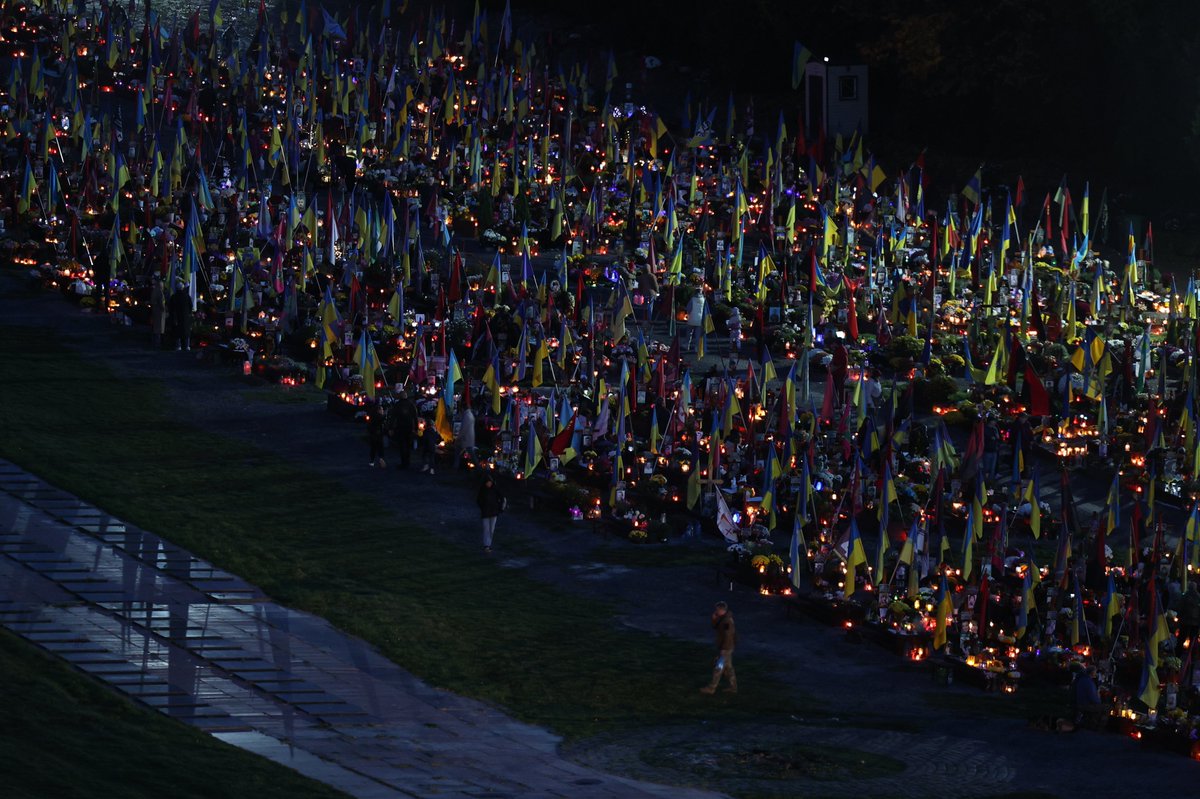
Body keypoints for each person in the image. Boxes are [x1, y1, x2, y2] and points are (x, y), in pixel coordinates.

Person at [700, 601, 737, 694]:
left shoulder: (726, 621)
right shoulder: (723, 619)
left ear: (721, 610)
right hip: (727, 648)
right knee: (728, 668)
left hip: (726, 649)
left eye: (717, 609)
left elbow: (728, 636)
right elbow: (715, 627)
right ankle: (733, 687)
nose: (716, 611)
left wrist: (724, 649)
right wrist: (714, 619)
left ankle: (711, 688)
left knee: (718, 668)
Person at [388, 390, 418, 470]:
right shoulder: (411, 405)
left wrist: (390, 428)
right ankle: (407, 462)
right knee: (408, 445)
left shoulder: (397, 405)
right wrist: (416, 428)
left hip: (400, 427)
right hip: (409, 427)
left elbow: (393, 417)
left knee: (402, 446)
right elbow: (415, 417)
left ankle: (403, 462)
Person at [476, 474, 505, 552]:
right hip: (485, 512)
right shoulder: (483, 489)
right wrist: (483, 507)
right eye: (487, 482)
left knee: (491, 529)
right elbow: (478, 500)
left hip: (494, 512)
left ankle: (488, 544)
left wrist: (500, 508)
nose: (489, 484)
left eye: (490, 482)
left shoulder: (495, 489)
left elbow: (502, 498)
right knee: (486, 528)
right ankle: (487, 545)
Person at [167, 278, 192, 351]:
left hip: (176, 317)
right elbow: (191, 306)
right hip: (185, 316)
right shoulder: (187, 296)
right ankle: (187, 346)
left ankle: (178, 346)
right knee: (186, 332)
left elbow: (170, 307)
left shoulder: (174, 297)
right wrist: (189, 313)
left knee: (177, 332)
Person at [149, 274, 167, 349]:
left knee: (155, 328)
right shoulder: (160, 292)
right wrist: (164, 310)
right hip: (159, 312)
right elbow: (161, 303)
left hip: (155, 310)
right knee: (159, 328)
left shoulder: (154, 290)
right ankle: (158, 344)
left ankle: (155, 342)